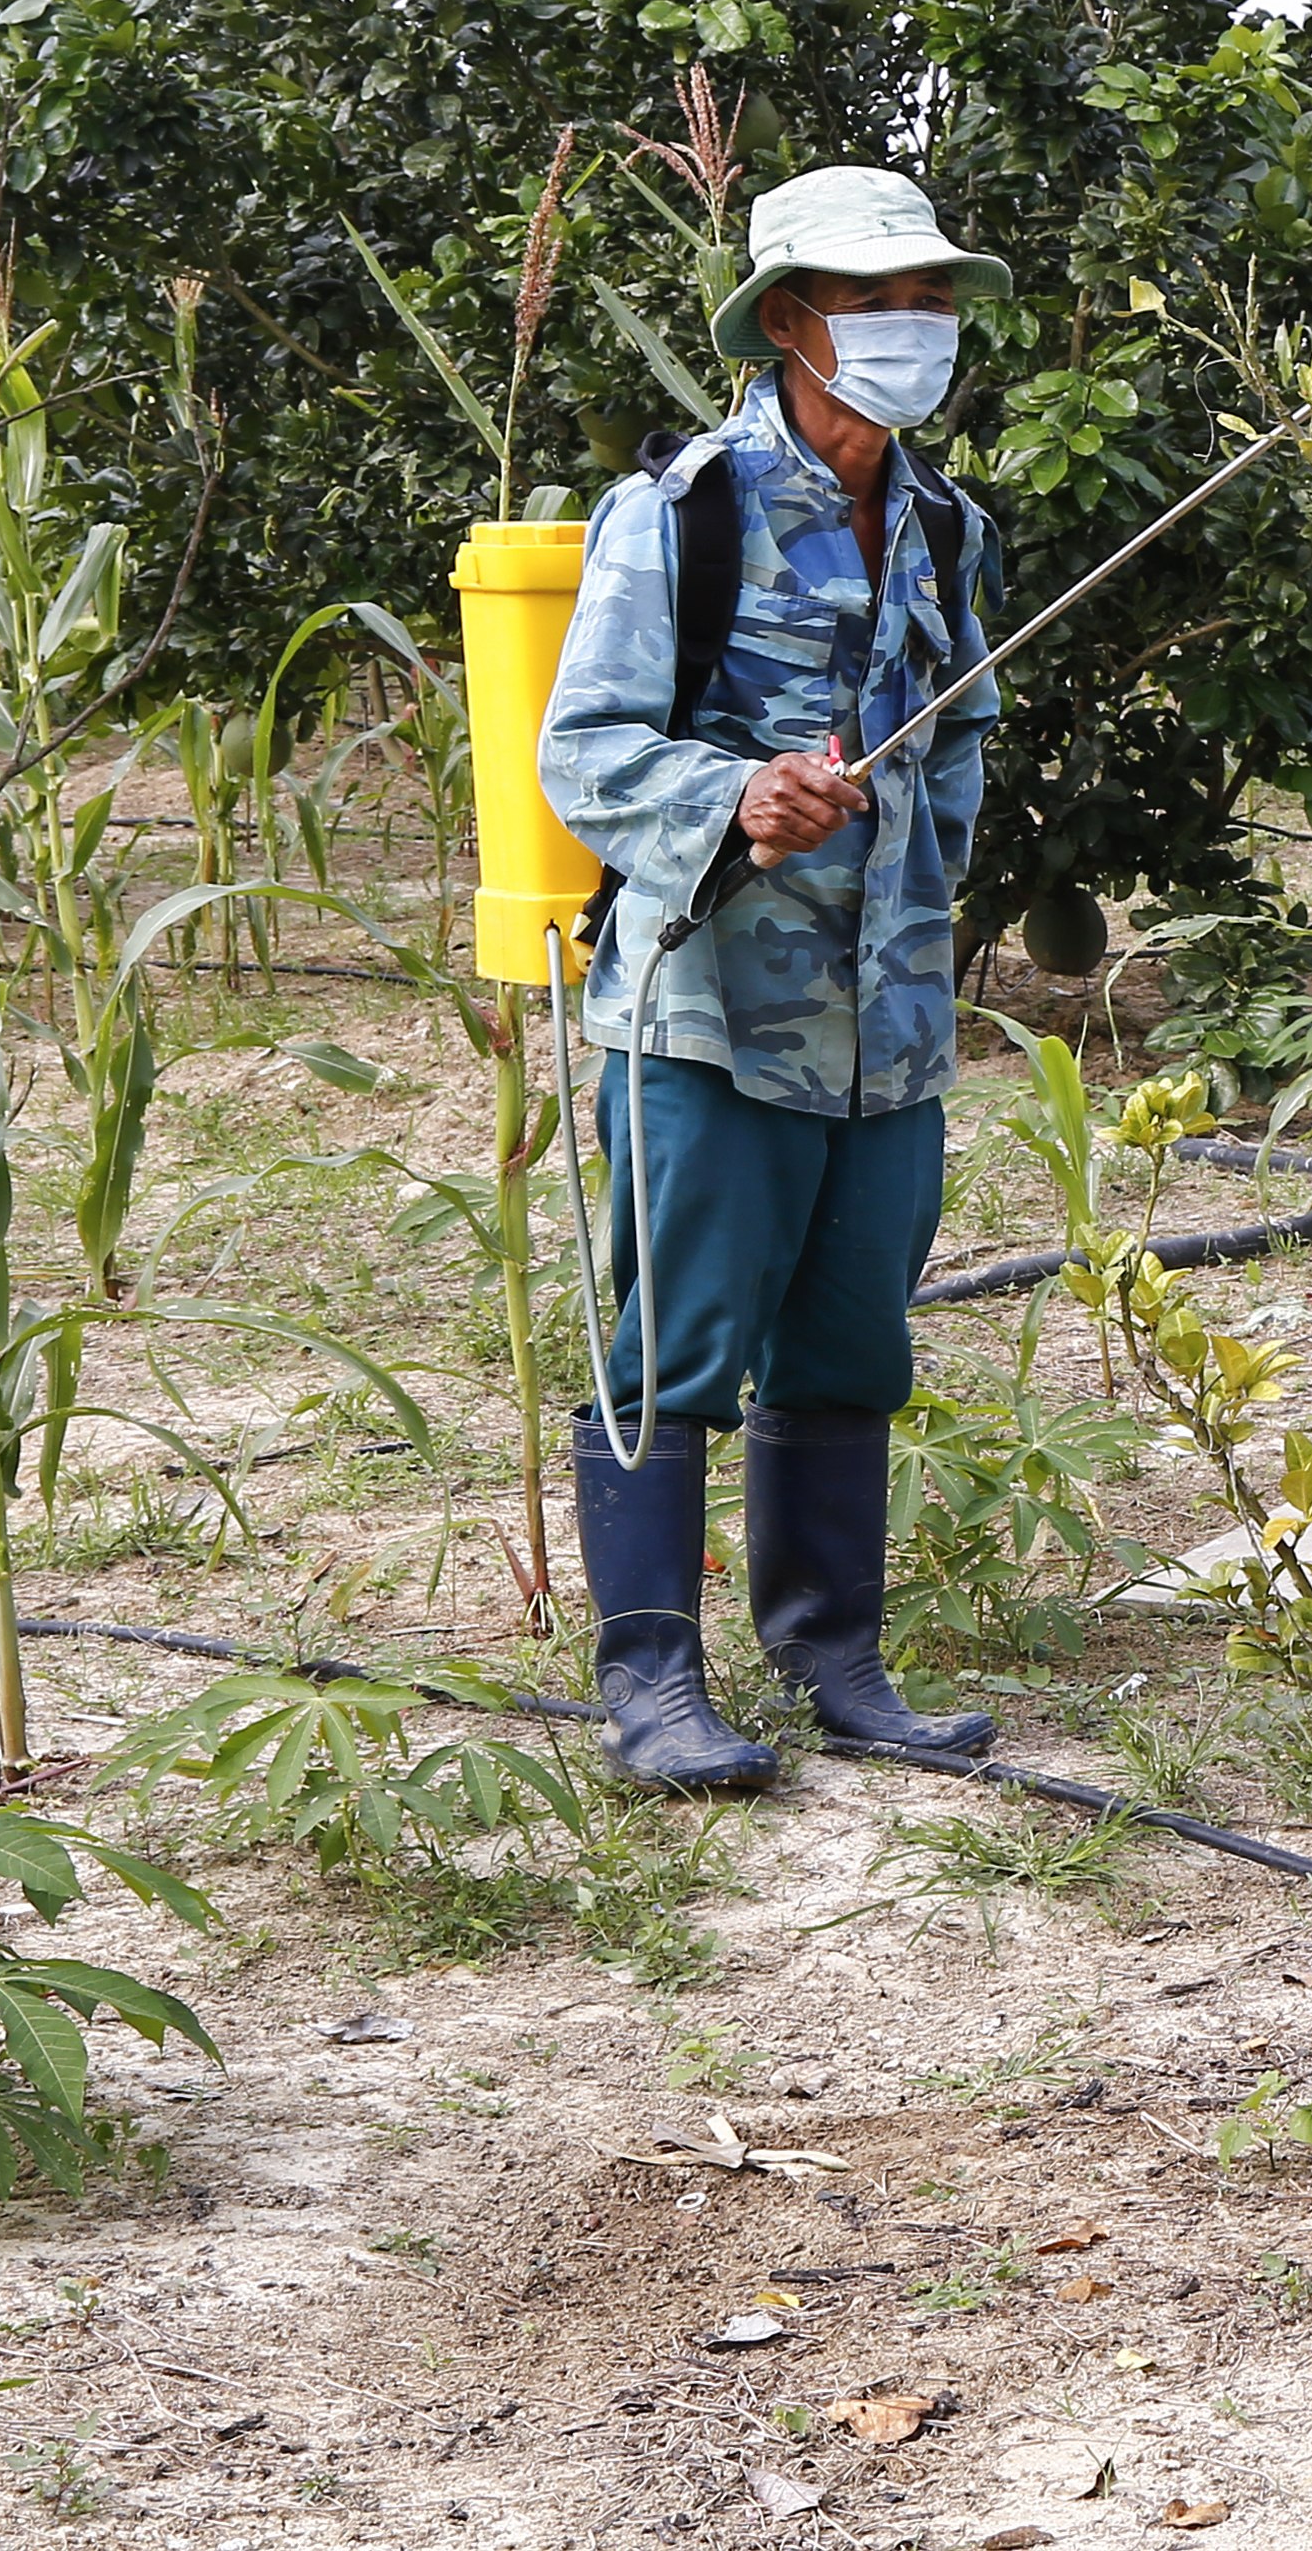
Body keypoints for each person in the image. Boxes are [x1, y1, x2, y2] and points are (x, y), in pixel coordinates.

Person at [539, 163, 1011, 1790]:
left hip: (887, 1020)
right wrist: (733, 801)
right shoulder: (684, 512)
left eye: (931, 304)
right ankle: (653, 1687)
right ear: (792, 322)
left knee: (847, 1338)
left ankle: (834, 1658)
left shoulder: (948, 525)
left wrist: (915, 898)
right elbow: (581, 751)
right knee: (677, 1340)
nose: (913, 333)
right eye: (879, 306)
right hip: (706, 1007)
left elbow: (959, 750)